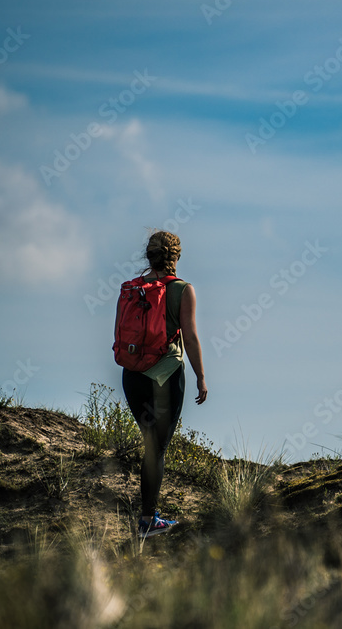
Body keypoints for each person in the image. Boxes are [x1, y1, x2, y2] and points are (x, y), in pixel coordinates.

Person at [120, 230, 207, 537]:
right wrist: (201, 377)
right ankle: (147, 521)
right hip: (166, 375)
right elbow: (191, 337)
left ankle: (148, 517)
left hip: (131, 375)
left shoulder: (133, 289)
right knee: (156, 448)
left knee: (149, 444)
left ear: (149, 256)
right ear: (176, 257)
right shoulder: (183, 290)